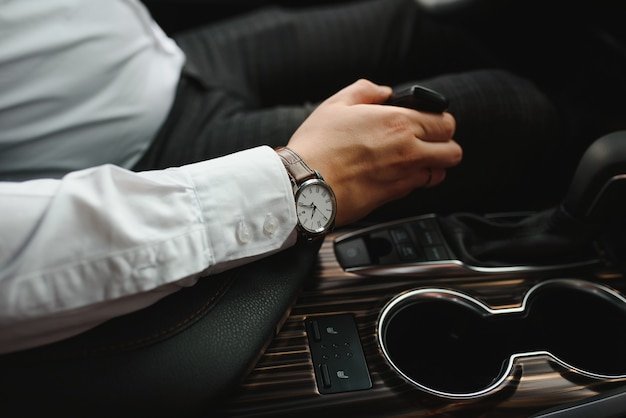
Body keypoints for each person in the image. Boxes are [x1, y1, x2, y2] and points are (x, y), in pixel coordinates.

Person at [0, 0, 560, 354]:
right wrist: (299, 181)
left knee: (406, 24)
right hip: (141, 156)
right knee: (503, 109)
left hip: (164, 57)